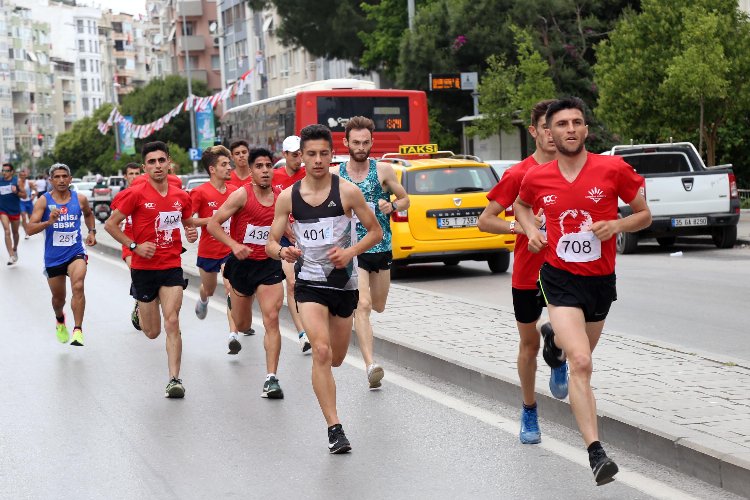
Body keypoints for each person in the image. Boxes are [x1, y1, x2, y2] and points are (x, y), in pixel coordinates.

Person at [515, 97, 651, 485]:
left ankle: (553, 343)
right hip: (558, 278)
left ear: (586, 130)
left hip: (600, 282)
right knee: (583, 362)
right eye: (562, 124)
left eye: (577, 122)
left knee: (580, 352)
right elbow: (522, 207)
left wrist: (617, 226)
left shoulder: (612, 169)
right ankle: (596, 453)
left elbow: (644, 214)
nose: (570, 129)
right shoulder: (537, 177)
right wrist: (531, 231)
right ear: (550, 134)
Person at [266, 124, 382, 454]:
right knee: (321, 351)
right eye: (311, 154)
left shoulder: (347, 191)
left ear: (333, 156)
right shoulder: (289, 197)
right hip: (309, 284)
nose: (318, 160)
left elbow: (374, 232)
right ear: (300, 156)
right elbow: (271, 244)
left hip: (343, 284)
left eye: (324, 154)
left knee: (338, 357)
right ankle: (335, 428)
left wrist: (349, 252)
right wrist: (283, 251)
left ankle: (330, 390)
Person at [477, 99, 566, 445]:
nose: (551, 133)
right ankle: (529, 409)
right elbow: (485, 220)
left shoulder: (572, 170)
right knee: (528, 344)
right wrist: (520, 227)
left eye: (556, 126)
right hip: (528, 272)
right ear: (534, 131)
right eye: (545, 126)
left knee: (564, 327)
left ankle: (557, 351)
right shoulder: (518, 174)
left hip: (566, 270)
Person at [105, 141, 198, 398]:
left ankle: (174, 379)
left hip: (170, 265)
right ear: (145, 166)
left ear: (168, 162)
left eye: (161, 160)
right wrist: (133, 246)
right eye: (152, 162)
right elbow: (111, 225)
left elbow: (188, 223)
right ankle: (140, 306)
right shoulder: (136, 193)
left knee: (173, 321)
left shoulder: (181, 196)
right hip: (144, 268)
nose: (157, 165)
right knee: (152, 332)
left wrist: (192, 231)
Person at [336, 116, 410, 388]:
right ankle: (371, 365)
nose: (360, 146)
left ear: (371, 142)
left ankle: (369, 358)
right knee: (363, 305)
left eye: (365, 142)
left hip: (381, 246)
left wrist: (392, 206)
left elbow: (405, 199)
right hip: (353, 249)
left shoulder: (384, 171)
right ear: (346, 142)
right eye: (355, 142)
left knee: (378, 305)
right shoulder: (336, 175)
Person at [208, 147, 286, 397]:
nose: (265, 171)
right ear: (251, 171)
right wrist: (234, 245)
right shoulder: (241, 196)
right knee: (242, 324)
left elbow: (286, 226)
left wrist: (295, 244)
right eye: (259, 167)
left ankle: (271, 378)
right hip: (242, 265)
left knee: (271, 318)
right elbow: (212, 224)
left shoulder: (280, 196)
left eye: (268, 166)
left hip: (269, 264)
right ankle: (234, 302)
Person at [26, 163, 96, 346]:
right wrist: (48, 222)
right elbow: (30, 229)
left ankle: (78, 330)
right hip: (54, 257)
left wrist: (92, 231)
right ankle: (59, 319)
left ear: (70, 179)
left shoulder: (79, 199)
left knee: (78, 286)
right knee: (59, 299)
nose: (61, 180)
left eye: (65, 176)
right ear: (50, 180)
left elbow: (88, 214)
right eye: (57, 177)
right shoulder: (44, 200)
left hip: (75, 251)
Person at [191, 145, 242, 354]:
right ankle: (203, 298)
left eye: (229, 164)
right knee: (210, 288)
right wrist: (211, 221)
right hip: (208, 251)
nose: (229, 168)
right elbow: (189, 219)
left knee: (231, 288)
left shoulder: (235, 192)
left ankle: (233, 334)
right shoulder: (200, 192)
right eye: (224, 165)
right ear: (212, 169)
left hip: (230, 250)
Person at [271, 135, 310, 354]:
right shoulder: (274, 177)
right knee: (292, 282)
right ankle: (303, 334)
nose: (299, 159)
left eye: (301, 154)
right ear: (285, 155)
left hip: (309, 235)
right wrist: (285, 228)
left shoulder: (308, 174)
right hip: (285, 237)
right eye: (295, 155)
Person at [227, 139, 255, 336]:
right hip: (230, 241)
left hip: (255, 244)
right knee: (232, 286)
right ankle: (233, 331)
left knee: (249, 289)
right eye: (237, 153)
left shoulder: (257, 177)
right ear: (232, 157)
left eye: (244, 152)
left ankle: (243, 320)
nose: (242, 156)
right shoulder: (229, 180)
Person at [111, 162, 143, 330]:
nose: (134, 176)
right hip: (128, 240)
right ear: (125, 176)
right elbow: (113, 220)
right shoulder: (122, 195)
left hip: (145, 239)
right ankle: (139, 302)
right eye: (130, 173)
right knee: (135, 270)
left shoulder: (146, 193)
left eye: (137, 173)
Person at [0, 162, 26, 264]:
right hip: (3, 210)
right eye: (3, 170)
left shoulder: (17, 181)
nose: (4, 172)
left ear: (12, 172)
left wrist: (16, 192)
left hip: (14, 210)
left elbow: (24, 196)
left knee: (15, 233)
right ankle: (11, 255)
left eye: (6, 171)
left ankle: (15, 248)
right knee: (7, 231)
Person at [18, 169, 36, 240]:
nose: (23, 177)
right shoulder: (17, 183)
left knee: (30, 218)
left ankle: (29, 230)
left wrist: (33, 196)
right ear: (19, 176)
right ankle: (26, 233)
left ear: (26, 176)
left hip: (29, 202)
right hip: (21, 202)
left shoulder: (29, 183)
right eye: (21, 175)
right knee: (23, 217)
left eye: (24, 175)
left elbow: (35, 190)